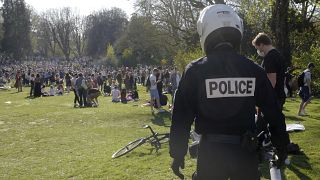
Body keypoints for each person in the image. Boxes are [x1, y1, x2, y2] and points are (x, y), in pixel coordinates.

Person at [169, 4, 289, 180]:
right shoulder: (253, 69)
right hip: (245, 153)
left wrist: (177, 153)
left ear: (205, 30)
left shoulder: (195, 70)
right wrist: (282, 145)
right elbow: (273, 111)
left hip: (211, 155)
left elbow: (182, 116)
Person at [252, 32, 286, 111]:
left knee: (262, 123)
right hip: (279, 95)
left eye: (257, 48)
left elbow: (271, 82)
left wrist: (261, 99)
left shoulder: (269, 58)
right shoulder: (278, 55)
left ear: (261, 44)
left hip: (271, 99)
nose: (258, 51)